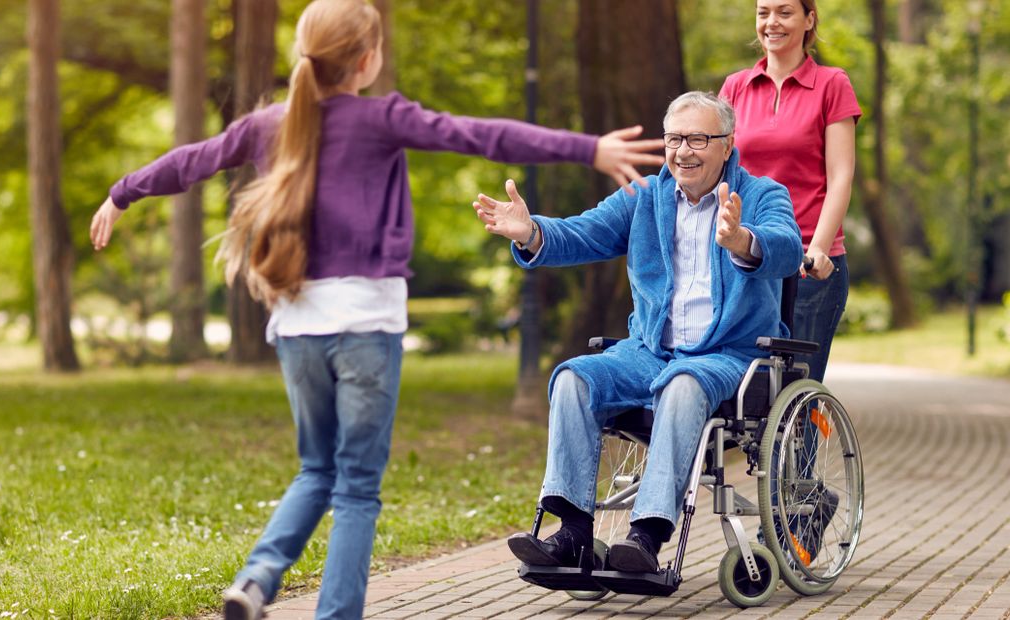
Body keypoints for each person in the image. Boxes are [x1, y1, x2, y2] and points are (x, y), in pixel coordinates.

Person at [88, 1, 663, 617]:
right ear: (367, 60)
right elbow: (484, 134)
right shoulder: (384, 117)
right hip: (366, 325)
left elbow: (190, 161)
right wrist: (589, 149)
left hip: (298, 328)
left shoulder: (268, 125)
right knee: (357, 488)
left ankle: (257, 580)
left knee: (316, 470)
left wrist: (123, 194)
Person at [473, 92, 801, 573]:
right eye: (674, 139)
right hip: (648, 351)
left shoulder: (760, 194)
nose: (683, 151)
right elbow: (582, 233)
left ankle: (645, 538)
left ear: (727, 145)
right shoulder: (644, 196)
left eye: (697, 139)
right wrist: (529, 233)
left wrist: (741, 240)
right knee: (574, 378)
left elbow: (788, 247)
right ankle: (572, 533)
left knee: (683, 383)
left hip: (727, 356)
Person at [719, 0, 861, 383]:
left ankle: (803, 443)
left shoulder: (832, 84)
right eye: (763, 12)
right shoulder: (735, 87)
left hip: (809, 265)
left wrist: (819, 246)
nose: (771, 22)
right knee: (744, 392)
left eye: (784, 12)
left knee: (796, 391)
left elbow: (841, 175)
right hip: (748, 258)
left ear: (809, 19)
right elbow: (720, 169)